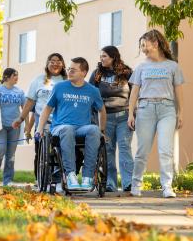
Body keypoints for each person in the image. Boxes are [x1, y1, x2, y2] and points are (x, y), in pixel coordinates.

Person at [127, 29, 185, 198]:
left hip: (167, 110)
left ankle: (167, 187)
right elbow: (134, 92)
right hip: (145, 109)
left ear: (156, 44)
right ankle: (136, 184)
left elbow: (179, 91)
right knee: (142, 151)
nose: (143, 49)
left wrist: (181, 113)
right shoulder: (141, 67)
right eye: (142, 46)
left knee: (166, 150)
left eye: (145, 45)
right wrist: (131, 113)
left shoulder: (172, 66)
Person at [36, 57, 106, 190]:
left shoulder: (92, 90)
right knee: (67, 129)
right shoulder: (59, 87)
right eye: (69, 69)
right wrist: (39, 129)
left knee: (94, 130)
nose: (69, 72)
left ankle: (88, 177)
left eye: (73, 70)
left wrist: (102, 130)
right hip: (60, 127)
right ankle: (70, 175)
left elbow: (102, 110)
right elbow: (47, 109)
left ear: (84, 72)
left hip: (82, 128)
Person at [13, 53, 67, 180]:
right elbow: (30, 102)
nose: (55, 63)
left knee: (60, 150)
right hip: (42, 121)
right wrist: (21, 118)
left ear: (63, 64)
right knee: (40, 151)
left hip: (62, 121)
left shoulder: (67, 81)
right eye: (52, 61)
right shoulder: (38, 80)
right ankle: (40, 179)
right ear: (47, 64)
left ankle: (59, 179)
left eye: (58, 61)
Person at [89, 46, 133, 192]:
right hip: (104, 117)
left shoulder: (126, 72)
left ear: (113, 57)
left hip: (123, 116)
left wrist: (133, 114)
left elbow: (135, 93)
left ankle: (128, 183)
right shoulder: (97, 74)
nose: (102, 59)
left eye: (105, 56)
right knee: (108, 149)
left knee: (125, 148)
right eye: (101, 56)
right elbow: (89, 93)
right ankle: (110, 183)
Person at [0, 68, 26, 186]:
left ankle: (8, 180)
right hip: (0, 126)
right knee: (0, 150)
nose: (17, 78)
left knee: (11, 155)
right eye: (15, 75)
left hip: (14, 127)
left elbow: (25, 109)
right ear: (7, 77)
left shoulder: (19, 92)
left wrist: (26, 125)